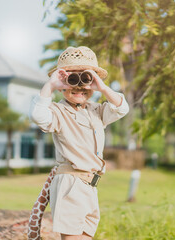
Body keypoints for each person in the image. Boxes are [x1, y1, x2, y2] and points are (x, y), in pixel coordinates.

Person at [29, 46, 129, 240]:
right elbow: (37, 115)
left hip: (91, 186)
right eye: (71, 79)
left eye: (85, 78)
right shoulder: (58, 112)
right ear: (63, 83)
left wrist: (101, 87)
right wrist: (50, 85)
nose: (79, 86)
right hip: (71, 184)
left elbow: (121, 108)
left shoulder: (96, 110)